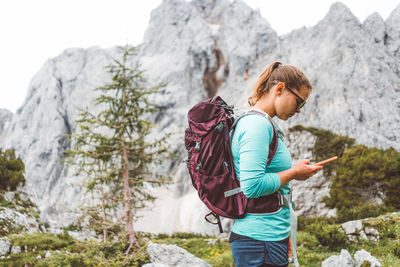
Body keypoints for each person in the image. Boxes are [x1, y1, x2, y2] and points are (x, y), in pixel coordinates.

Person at [229, 61, 323, 267]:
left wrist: (282, 233)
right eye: (299, 102)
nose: (299, 110)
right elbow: (252, 186)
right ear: (279, 89)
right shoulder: (256, 125)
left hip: (268, 237)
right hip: (258, 241)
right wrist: (293, 172)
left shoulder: (263, 123)